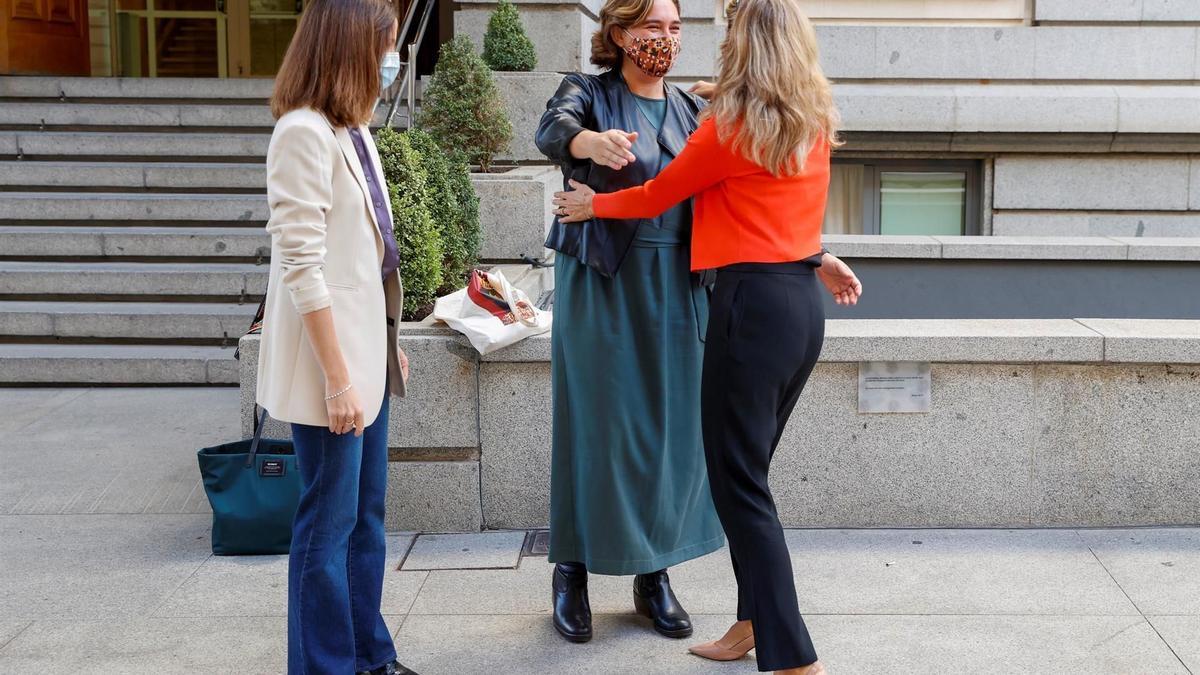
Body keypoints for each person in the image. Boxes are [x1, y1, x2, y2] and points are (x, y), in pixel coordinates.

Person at [552, 0, 863, 671]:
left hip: (750, 305)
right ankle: (751, 622)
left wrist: (592, 202)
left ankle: (792, 654)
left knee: (739, 488)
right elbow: (781, 205)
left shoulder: (727, 125)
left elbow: (658, 193)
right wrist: (820, 256)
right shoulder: (811, 118)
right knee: (747, 473)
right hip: (800, 306)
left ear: (744, 45)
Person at [534, 0, 726, 645]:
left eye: (674, 28)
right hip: (604, 282)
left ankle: (655, 572)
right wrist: (589, 143)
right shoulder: (588, 91)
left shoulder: (694, 108)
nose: (665, 39)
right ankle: (573, 571)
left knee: (671, 431)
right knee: (597, 427)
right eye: (651, 28)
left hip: (678, 285)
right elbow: (553, 130)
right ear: (618, 33)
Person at [257, 0, 415, 672]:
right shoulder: (301, 133)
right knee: (328, 525)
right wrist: (340, 376)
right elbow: (304, 266)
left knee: (365, 519)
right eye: (385, 41)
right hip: (334, 372)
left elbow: (369, 253)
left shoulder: (352, 129)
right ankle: (325, 664)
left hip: (365, 356)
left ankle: (367, 653)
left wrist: (384, 340)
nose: (393, 54)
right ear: (351, 44)